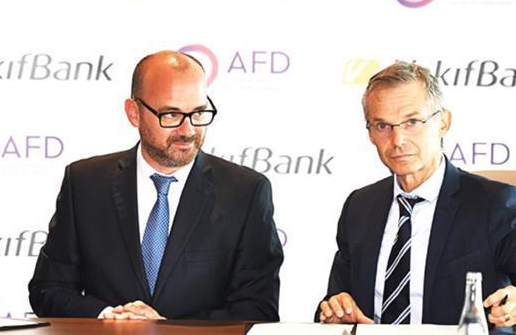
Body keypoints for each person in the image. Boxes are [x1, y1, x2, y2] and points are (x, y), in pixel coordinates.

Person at [28, 50, 283, 321]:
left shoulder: (245, 193)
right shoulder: (84, 184)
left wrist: (165, 328)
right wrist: (110, 317)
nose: (188, 130)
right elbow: (48, 290)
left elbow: (258, 309)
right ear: (134, 113)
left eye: (198, 113)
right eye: (171, 115)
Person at [318, 61, 516, 327]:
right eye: (382, 126)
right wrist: (336, 311)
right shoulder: (359, 206)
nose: (398, 140)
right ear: (370, 134)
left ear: (443, 122)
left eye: (412, 122)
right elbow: (337, 298)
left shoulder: (495, 204)